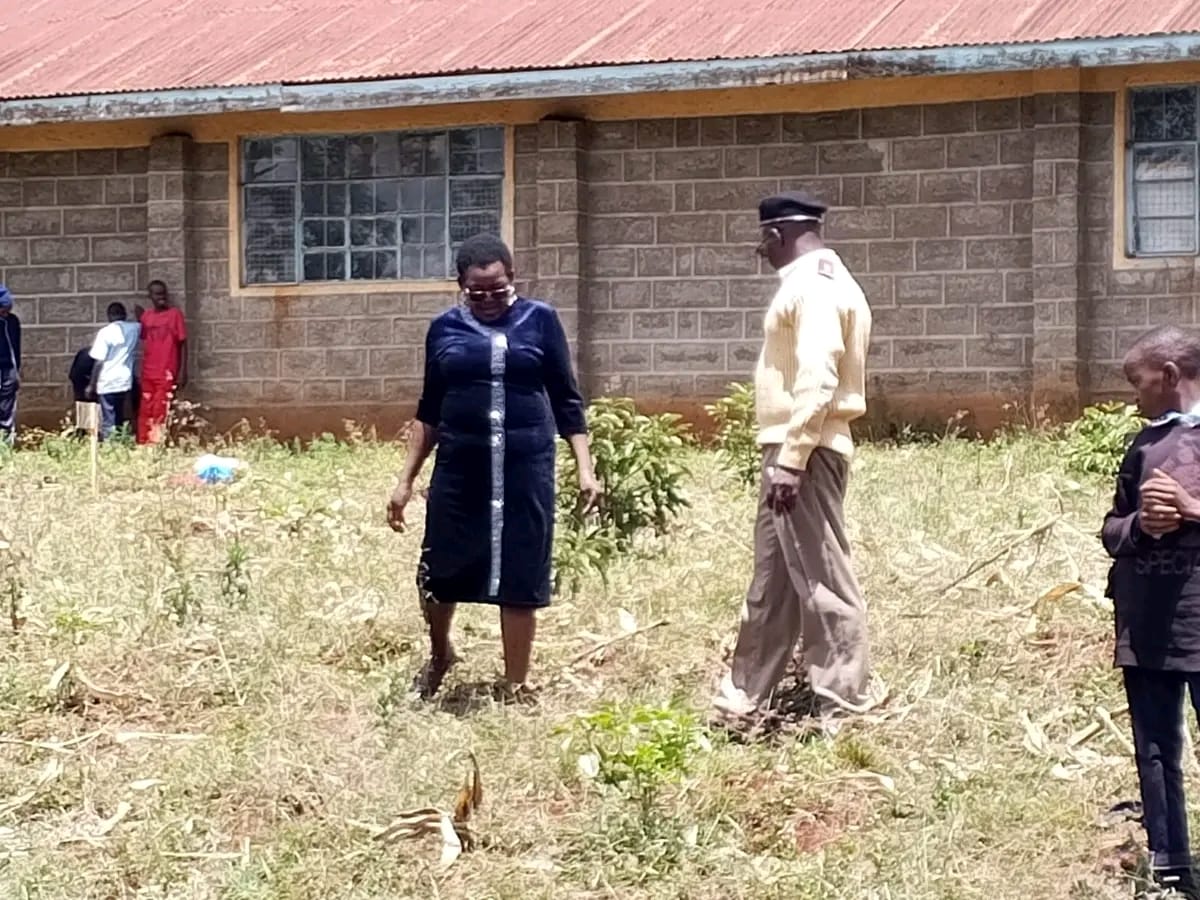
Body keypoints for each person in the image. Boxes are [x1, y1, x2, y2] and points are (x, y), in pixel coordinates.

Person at [387, 233, 600, 700]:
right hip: (460, 469)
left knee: (521, 572)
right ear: (460, 286)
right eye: (476, 292)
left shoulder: (540, 320)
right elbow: (429, 409)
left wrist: (585, 468)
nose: (488, 300)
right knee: (439, 570)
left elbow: (566, 399)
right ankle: (440, 654)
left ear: (513, 278)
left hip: (526, 467)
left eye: (498, 290)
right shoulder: (443, 329)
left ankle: (515, 683)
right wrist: (405, 481)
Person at [712, 191, 873, 732]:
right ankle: (745, 696)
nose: (762, 250)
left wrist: (793, 458)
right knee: (774, 580)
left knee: (824, 580)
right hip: (789, 449)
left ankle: (845, 704)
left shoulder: (814, 286)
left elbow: (819, 375)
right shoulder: (820, 281)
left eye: (764, 240)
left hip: (804, 450)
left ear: (776, 235)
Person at [1103, 325, 1200, 898]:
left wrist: (1189, 507)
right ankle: (1171, 869)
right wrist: (1142, 524)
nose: (1133, 396)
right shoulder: (1143, 446)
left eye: (1138, 384)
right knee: (1157, 751)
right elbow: (1111, 530)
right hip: (1148, 626)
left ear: (1168, 376)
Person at [137, 280, 187, 445]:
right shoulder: (146, 316)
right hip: (148, 371)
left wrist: (182, 371)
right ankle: (143, 441)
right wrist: (139, 317)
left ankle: (156, 443)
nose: (161, 297)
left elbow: (183, 343)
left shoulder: (174, 314)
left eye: (163, 293)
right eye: (157, 294)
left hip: (166, 370)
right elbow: (144, 336)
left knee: (160, 408)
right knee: (146, 407)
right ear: (150, 296)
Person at [87, 302, 141, 440]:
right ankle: (122, 441)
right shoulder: (134, 329)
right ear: (124, 314)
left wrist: (92, 385)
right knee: (121, 416)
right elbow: (144, 323)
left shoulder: (105, 333)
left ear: (109, 316)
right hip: (125, 380)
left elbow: (99, 361)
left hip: (107, 382)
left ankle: (110, 445)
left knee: (108, 419)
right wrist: (139, 312)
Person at [0, 286, 20, 444]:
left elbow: (16, 347)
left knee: (7, 407)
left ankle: (6, 441)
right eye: (3, 310)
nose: (6, 313)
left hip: (8, 370)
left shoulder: (12, 321)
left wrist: (16, 371)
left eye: (8, 310)